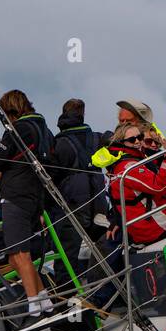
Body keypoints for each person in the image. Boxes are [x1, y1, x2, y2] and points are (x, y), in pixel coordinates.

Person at [0, 90, 56, 315]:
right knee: (12, 256)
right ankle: (44, 298)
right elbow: (24, 160)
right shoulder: (42, 128)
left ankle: (33, 304)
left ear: (10, 110)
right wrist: (4, 174)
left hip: (16, 197)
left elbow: (0, 157)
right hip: (35, 195)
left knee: (20, 253)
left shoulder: (17, 129)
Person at [49, 99, 108, 284]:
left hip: (72, 203)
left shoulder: (58, 144)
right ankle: (102, 290)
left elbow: (53, 173)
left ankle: (65, 299)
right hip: (99, 200)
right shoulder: (98, 138)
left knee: (67, 255)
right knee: (103, 248)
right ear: (83, 115)